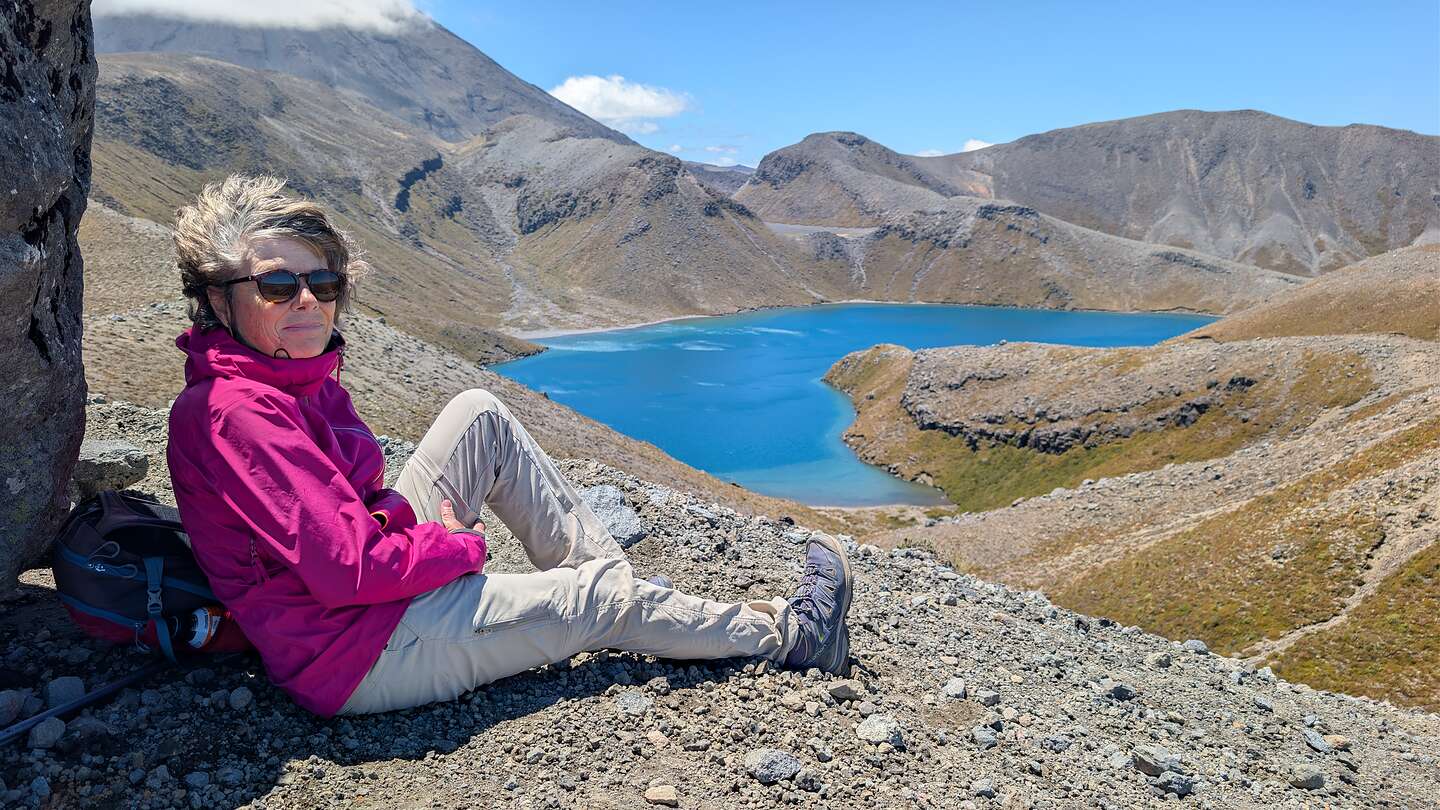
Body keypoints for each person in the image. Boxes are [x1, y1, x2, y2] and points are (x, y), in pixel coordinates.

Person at [164, 175, 854, 717]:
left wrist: (409, 531)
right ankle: (792, 635)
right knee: (593, 604)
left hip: (362, 604)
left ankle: (611, 602)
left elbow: (351, 516)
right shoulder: (237, 413)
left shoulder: (290, 375)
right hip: (355, 651)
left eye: (323, 281)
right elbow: (349, 569)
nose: (308, 300)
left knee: (480, 414)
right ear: (220, 301)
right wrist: (456, 546)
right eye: (278, 285)